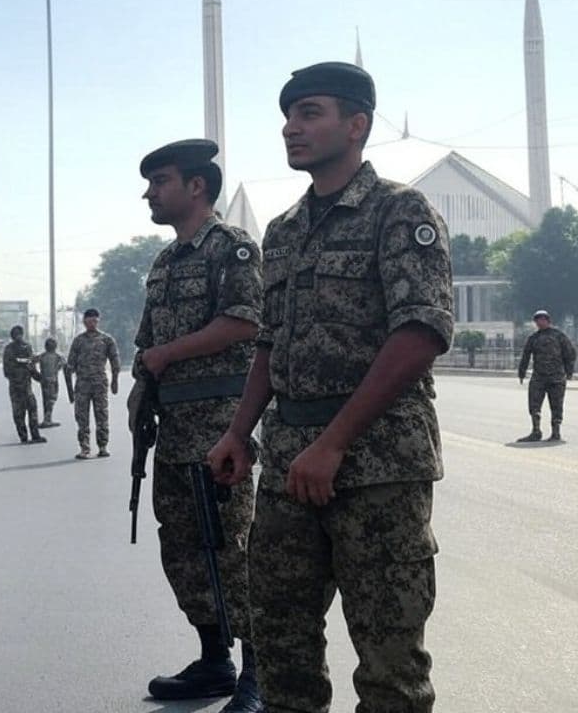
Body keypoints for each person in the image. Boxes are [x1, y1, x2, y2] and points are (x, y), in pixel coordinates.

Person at [208, 62, 453, 713]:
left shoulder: (399, 212)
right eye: (287, 116)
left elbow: (422, 330)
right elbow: (269, 339)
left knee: (389, 669)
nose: (291, 128)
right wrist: (239, 431)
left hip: (376, 468)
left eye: (309, 112)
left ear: (358, 123)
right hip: (289, 465)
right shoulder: (282, 232)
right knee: (282, 650)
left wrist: (335, 443)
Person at [133, 139, 264, 712]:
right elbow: (145, 344)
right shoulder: (164, 262)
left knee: (229, 548)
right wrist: (143, 388)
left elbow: (243, 322)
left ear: (196, 187)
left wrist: (167, 356)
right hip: (174, 429)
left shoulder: (231, 249)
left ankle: (260, 673)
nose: (149, 193)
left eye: (159, 181)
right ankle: (215, 658)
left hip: (220, 426)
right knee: (183, 548)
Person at [66, 308, 120, 459]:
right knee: (82, 417)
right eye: (89, 321)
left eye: (95, 321)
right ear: (84, 322)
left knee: (101, 414)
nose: (92, 324)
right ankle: (85, 448)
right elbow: (69, 366)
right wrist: (70, 391)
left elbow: (115, 360)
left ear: (98, 321)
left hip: (100, 383)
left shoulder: (106, 339)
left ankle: (103, 446)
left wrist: (115, 380)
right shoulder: (78, 341)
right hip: (82, 384)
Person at [516, 310, 576, 441]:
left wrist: (569, 371)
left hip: (557, 378)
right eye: (537, 320)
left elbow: (570, 353)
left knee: (557, 406)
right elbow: (526, 356)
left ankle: (556, 432)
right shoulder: (533, 338)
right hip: (539, 377)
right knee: (534, 405)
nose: (539, 322)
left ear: (548, 321)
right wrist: (522, 372)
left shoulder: (559, 336)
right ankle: (536, 431)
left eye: (542, 319)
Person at [2, 325, 46, 444]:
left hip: (25, 386)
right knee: (20, 413)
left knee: (30, 410)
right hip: (18, 387)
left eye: (19, 334)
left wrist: (40, 378)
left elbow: (31, 368)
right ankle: (25, 436)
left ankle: (32, 435)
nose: (19, 337)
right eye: (16, 334)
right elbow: (7, 371)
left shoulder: (26, 347)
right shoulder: (10, 350)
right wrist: (27, 366)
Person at [35, 337, 66, 427]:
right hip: (53, 381)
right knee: (51, 399)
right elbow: (65, 365)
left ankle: (47, 419)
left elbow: (30, 362)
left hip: (44, 380)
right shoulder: (58, 356)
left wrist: (37, 376)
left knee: (46, 400)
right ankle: (47, 420)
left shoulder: (42, 356)